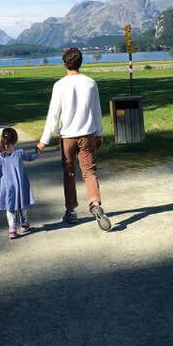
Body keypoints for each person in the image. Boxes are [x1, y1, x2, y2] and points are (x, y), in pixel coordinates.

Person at [37, 47, 111, 231]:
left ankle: (71, 211)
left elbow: (53, 115)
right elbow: (96, 111)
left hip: (68, 137)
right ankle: (95, 203)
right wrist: (99, 133)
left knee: (69, 173)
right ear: (81, 62)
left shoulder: (60, 85)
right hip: (87, 135)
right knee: (90, 172)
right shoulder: (91, 83)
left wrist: (44, 140)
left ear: (64, 63)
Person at [0, 126, 40, 240]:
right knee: (22, 205)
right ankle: (24, 222)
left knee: (10, 208)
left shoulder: (0, 157)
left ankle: (12, 229)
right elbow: (31, 157)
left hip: (8, 188)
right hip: (20, 185)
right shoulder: (20, 153)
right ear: (15, 140)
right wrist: (37, 152)